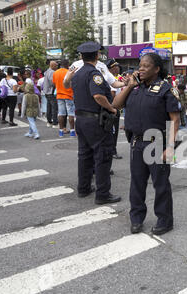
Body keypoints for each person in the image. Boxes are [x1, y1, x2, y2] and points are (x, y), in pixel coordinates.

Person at [112, 53, 181, 236]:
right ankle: (136, 218)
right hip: (136, 143)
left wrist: (170, 147)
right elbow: (116, 104)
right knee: (136, 184)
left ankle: (165, 220)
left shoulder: (166, 89)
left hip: (157, 143)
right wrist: (129, 86)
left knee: (161, 185)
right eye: (139, 65)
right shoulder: (134, 87)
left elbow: (175, 120)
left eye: (145, 66)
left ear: (157, 69)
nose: (140, 69)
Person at [70, 41, 121, 205]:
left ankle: (83, 188)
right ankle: (103, 194)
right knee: (103, 156)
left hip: (81, 119)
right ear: (97, 56)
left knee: (84, 155)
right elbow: (98, 96)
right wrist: (111, 108)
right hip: (95, 121)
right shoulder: (95, 74)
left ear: (81, 57)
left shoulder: (77, 74)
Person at [53, 60, 76, 138]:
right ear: (67, 64)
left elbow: (54, 83)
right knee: (71, 113)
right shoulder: (69, 72)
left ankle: (61, 131)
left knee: (61, 113)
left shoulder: (55, 72)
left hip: (59, 95)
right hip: (69, 95)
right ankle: (72, 131)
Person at [106, 59, 123, 160]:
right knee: (113, 131)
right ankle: (113, 151)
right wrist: (113, 108)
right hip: (113, 108)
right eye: (115, 67)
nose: (117, 68)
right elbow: (112, 94)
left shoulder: (111, 77)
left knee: (111, 131)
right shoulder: (110, 77)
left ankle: (111, 150)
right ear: (111, 68)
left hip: (111, 108)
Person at [43, 61, 59, 128]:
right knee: (54, 107)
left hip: (47, 91)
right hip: (51, 91)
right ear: (52, 66)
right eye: (56, 66)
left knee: (49, 107)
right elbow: (52, 82)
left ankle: (49, 121)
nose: (57, 67)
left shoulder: (47, 71)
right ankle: (55, 123)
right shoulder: (52, 72)